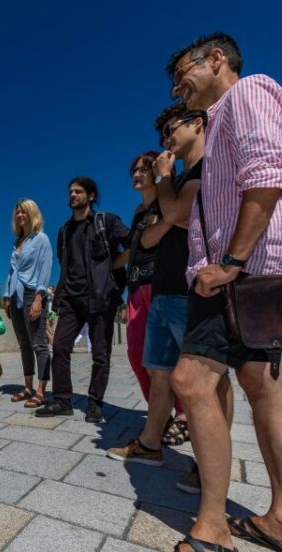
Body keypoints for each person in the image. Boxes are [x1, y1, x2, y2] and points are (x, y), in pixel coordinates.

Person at [163, 33, 282, 552]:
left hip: (235, 274)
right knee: (263, 387)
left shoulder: (248, 92)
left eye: (182, 71)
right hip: (256, 270)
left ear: (217, 60)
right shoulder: (222, 117)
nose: (176, 86)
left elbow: (268, 178)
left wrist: (229, 260)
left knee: (192, 381)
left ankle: (213, 527)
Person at [108, 104, 235, 471]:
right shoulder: (174, 186)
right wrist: (168, 213)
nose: (167, 139)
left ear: (198, 124)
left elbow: (177, 216)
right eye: (162, 134)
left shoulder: (204, 169)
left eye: (171, 129)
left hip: (187, 289)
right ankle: (150, 443)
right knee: (159, 372)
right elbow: (145, 241)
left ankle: (210, 463)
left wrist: (166, 189)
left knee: (210, 379)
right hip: (162, 290)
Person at [38, 177, 129, 422]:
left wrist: (112, 267)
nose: (72, 195)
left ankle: (95, 403)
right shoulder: (64, 231)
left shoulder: (105, 222)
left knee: (100, 354)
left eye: (78, 191)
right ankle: (62, 400)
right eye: (70, 191)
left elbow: (134, 243)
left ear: (90, 196)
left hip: (100, 298)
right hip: (70, 298)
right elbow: (64, 263)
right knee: (59, 347)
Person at [120, 152, 161, 403]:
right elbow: (131, 251)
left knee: (163, 355)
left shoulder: (166, 201)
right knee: (136, 354)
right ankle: (157, 409)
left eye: (143, 169)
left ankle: (181, 412)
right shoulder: (138, 211)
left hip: (160, 283)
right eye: (134, 170)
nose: (137, 174)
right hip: (135, 286)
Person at [3, 199, 52, 408]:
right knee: (23, 344)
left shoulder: (41, 239)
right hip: (15, 296)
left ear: (32, 214)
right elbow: (11, 272)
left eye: (24, 212)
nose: (20, 215)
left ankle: (41, 390)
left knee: (39, 343)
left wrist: (40, 297)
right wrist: (6, 296)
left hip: (33, 294)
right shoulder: (17, 242)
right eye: (18, 212)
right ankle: (28, 387)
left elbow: (45, 268)